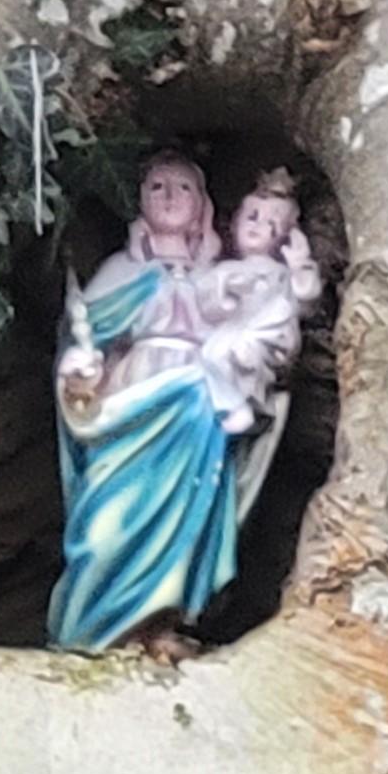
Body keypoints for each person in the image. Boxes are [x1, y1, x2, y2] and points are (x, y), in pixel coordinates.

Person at [49, 155, 312, 657]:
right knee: (107, 519)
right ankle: (90, 628)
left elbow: (272, 333)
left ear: (204, 207)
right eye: (157, 186)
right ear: (139, 201)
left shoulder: (227, 275)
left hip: (198, 406)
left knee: (188, 512)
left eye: (184, 187)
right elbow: (84, 340)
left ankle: (158, 625)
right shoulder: (120, 271)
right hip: (130, 402)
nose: (170, 196)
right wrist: (78, 369)